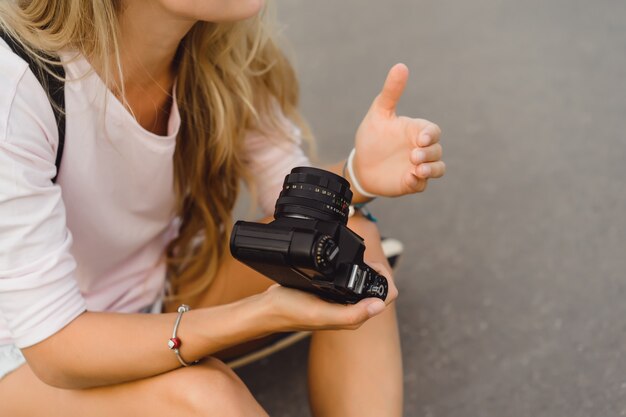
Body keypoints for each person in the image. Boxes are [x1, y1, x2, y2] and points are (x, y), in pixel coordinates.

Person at [0, 1, 445, 416]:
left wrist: (358, 175)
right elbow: (54, 345)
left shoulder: (218, 49)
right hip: (26, 354)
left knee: (353, 240)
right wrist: (259, 315)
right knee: (205, 397)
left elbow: (288, 196)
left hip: (159, 285)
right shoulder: (18, 84)